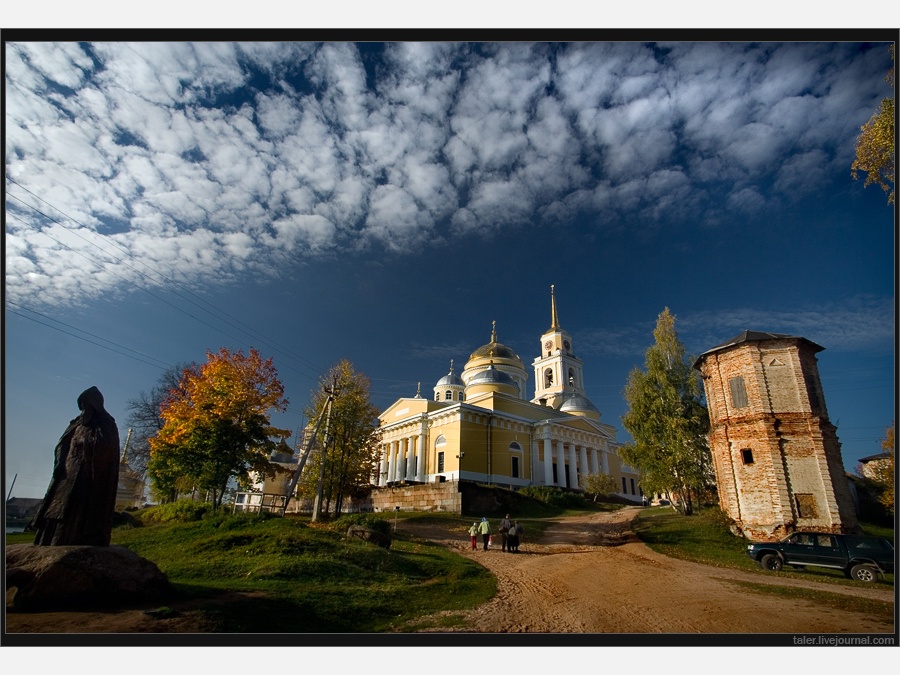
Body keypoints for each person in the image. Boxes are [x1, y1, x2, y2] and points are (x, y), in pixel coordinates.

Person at [32, 386, 121, 547]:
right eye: (81, 407)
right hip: (67, 471)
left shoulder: (105, 423)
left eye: (86, 406)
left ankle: (74, 537)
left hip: (87, 474)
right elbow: (62, 444)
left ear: (94, 405)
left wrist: (86, 445)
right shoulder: (76, 424)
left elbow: (107, 446)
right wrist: (60, 462)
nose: (83, 410)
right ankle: (48, 539)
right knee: (56, 507)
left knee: (77, 508)